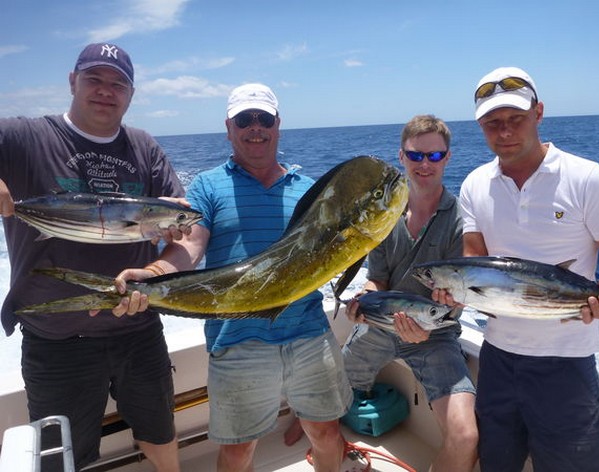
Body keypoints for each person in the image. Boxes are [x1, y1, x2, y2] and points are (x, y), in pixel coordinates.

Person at [113, 83, 353, 472]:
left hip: (309, 334)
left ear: (278, 125)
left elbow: (332, 254)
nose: (254, 127)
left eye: (263, 119)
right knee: (239, 451)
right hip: (238, 340)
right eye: (244, 119)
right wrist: (154, 274)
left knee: (326, 433)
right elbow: (190, 246)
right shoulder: (208, 186)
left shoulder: (309, 190)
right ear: (229, 127)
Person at [0, 43, 186, 471]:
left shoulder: (143, 146)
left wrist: (161, 265)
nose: (106, 91)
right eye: (94, 80)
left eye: (118, 83)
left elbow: (183, 225)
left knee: (160, 431)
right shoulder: (26, 136)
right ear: (72, 81)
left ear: (131, 94)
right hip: (56, 337)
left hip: (137, 327)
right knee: (65, 454)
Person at [443, 66, 599, 472]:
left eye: (516, 119)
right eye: (493, 123)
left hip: (567, 363)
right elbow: (474, 256)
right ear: (480, 126)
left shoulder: (589, 180)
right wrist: (454, 289)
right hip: (497, 358)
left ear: (539, 113)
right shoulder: (475, 184)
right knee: (497, 463)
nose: (505, 131)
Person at [284, 115, 479, 471]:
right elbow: (378, 281)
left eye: (434, 156)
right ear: (401, 156)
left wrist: (432, 324)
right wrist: (364, 300)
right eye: (416, 155)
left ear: (448, 158)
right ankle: (307, 417)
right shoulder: (383, 215)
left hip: (434, 334)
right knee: (320, 400)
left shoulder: (463, 219)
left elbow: (458, 299)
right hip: (378, 326)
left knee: (466, 437)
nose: (424, 164)